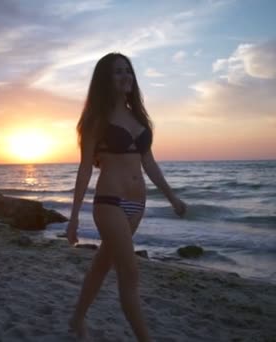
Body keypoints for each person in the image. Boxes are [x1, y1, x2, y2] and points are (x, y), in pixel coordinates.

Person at [66, 52, 187, 341]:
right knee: (130, 274)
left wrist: (172, 197)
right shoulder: (97, 120)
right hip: (110, 202)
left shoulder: (139, 117)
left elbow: (149, 162)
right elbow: (85, 169)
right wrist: (73, 218)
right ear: (105, 80)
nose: (125, 76)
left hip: (137, 204)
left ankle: (77, 318)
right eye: (117, 72)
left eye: (128, 71)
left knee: (102, 264)